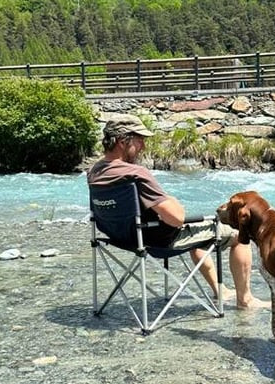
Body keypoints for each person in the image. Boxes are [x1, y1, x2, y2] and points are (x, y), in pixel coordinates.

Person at [87, 113, 266, 310]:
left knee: (199, 232)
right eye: (140, 141)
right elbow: (177, 219)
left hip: (121, 238)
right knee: (237, 236)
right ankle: (245, 300)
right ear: (122, 141)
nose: (143, 147)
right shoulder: (135, 173)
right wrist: (172, 200)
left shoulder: (94, 172)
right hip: (159, 241)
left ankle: (219, 290)